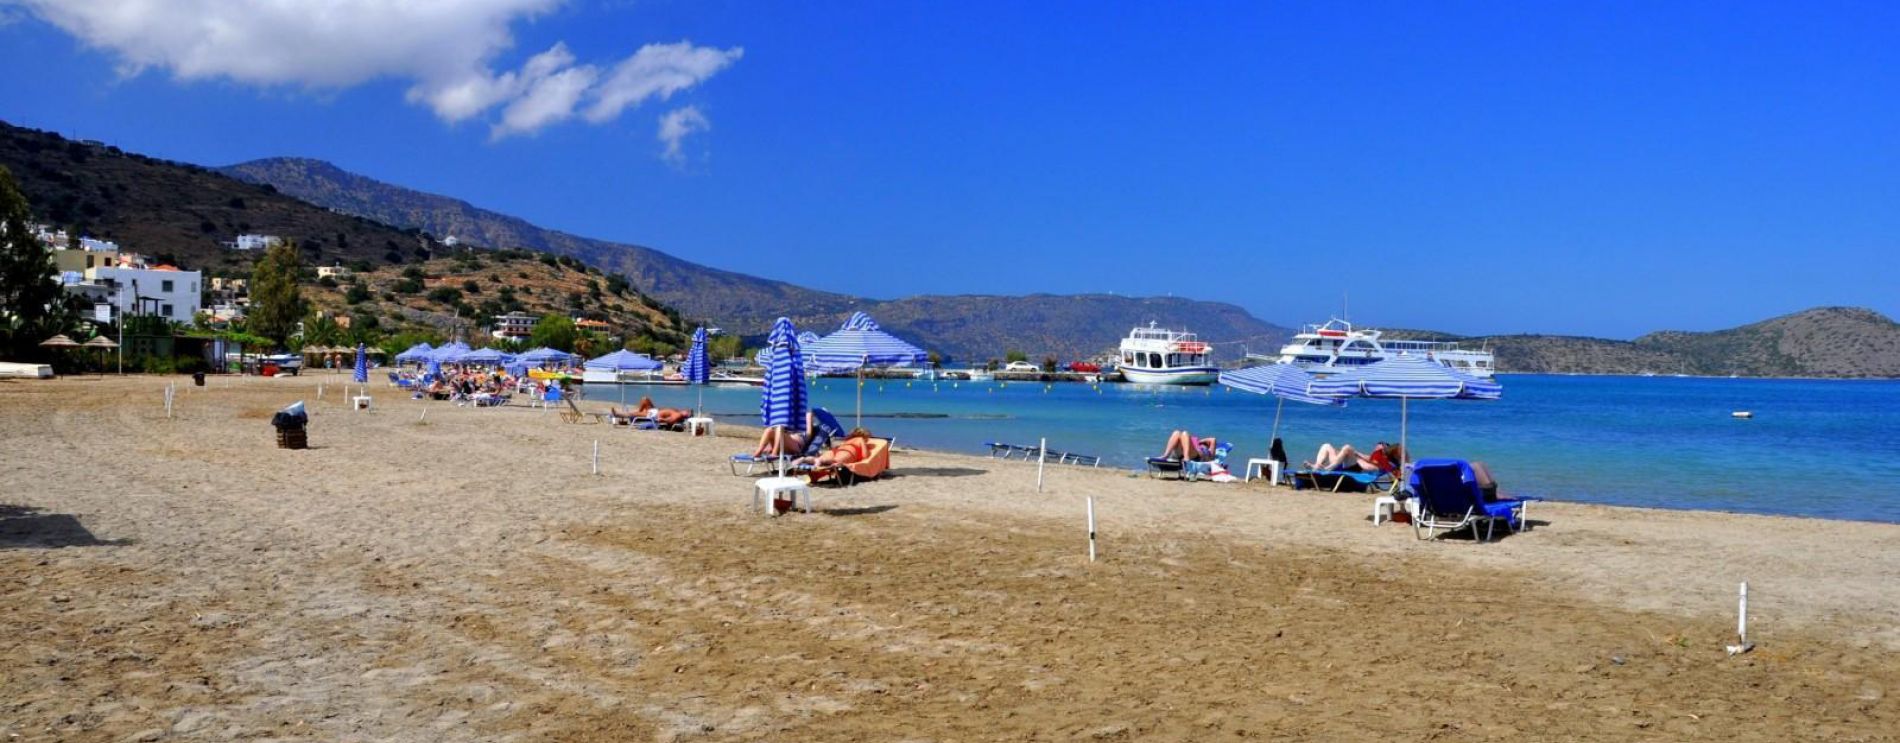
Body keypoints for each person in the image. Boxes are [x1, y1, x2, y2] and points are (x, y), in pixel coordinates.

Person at [752, 410, 816, 458]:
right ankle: (759, 451)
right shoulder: (790, 427)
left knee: (780, 427)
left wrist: (809, 415)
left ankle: (774, 453)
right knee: (769, 430)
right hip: (782, 445)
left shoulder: (805, 433)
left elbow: (809, 435)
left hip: (795, 447)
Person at [1308, 442, 1401, 472]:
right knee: (1326, 445)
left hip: (1355, 468)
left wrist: (1356, 455)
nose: (1378, 446)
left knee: (1347, 447)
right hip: (1347, 464)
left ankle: (1327, 468)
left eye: (1381, 445)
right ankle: (1316, 466)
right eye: (1378, 445)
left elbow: (1368, 465)